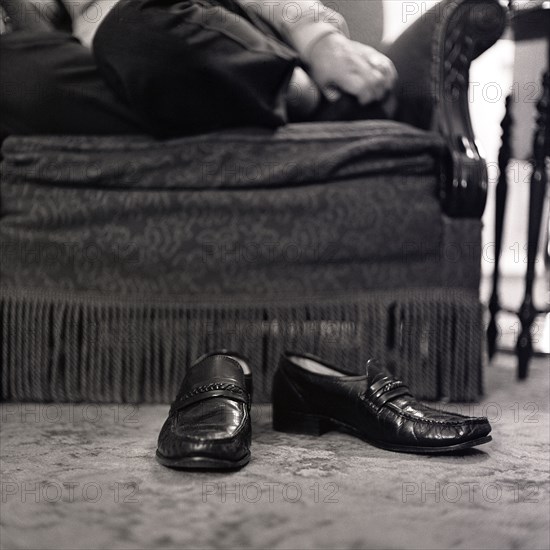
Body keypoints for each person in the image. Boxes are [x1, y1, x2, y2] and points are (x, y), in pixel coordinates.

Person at [0, 0, 397, 138]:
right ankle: (245, 100)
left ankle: (294, 91)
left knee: (135, 32)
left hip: (190, 24)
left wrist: (319, 39)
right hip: (115, 70)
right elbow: (40, 40)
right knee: (10, 70)